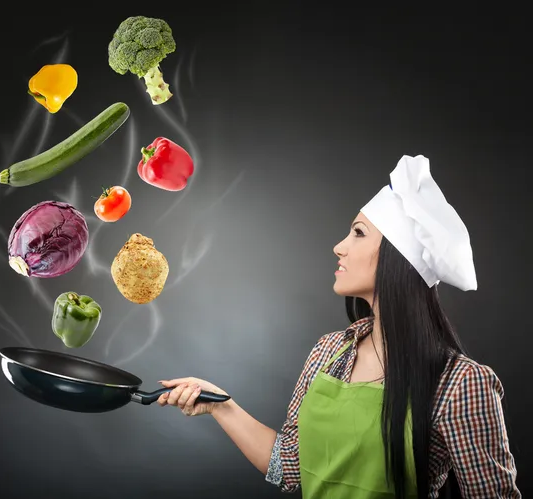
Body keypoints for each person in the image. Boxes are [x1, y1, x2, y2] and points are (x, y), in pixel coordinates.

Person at [157, 155, 521, 498]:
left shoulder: (462, 384)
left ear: (399, 260)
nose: (338, 247)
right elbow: (291, 468)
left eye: (358, 233)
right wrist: (220, 404)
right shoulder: (330, 351)